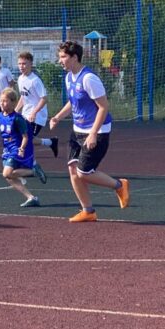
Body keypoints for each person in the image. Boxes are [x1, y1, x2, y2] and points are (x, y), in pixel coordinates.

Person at [49, 41, 130, 223]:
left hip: (97, 131)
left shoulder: (89, 79)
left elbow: (103, 107)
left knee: (84, 172)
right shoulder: (69, 77)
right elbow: (73, 101)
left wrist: (93, 133)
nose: (60, 61)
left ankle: (119, 185)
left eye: (63, 57)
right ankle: (88, 211)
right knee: (72, 170)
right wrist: (58, 117)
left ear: (74, 57)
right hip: (77, 130)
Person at [0, 88, 45, 207]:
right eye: (1, 101)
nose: (2, 103)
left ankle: (33, 171)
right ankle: (31, 198)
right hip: (7, 150)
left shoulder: (17, 118)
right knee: (9, 177)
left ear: (13, 103)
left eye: (5, 101)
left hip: (15, 149)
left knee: (6, 173)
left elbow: (26, 137)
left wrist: (22, 148)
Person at [15, 51, 59, 158]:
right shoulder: (20, 79)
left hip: (37, 116)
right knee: (23, 137)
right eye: (19, 63)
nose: (21, 66)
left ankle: (28, 161)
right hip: (26, 113)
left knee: (27, 139)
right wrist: (16, 110)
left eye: (24, 63)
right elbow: (23, 96)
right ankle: (51, 142)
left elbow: (44, 99)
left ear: (30, 64)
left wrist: (34, 113)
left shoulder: (35, 80)